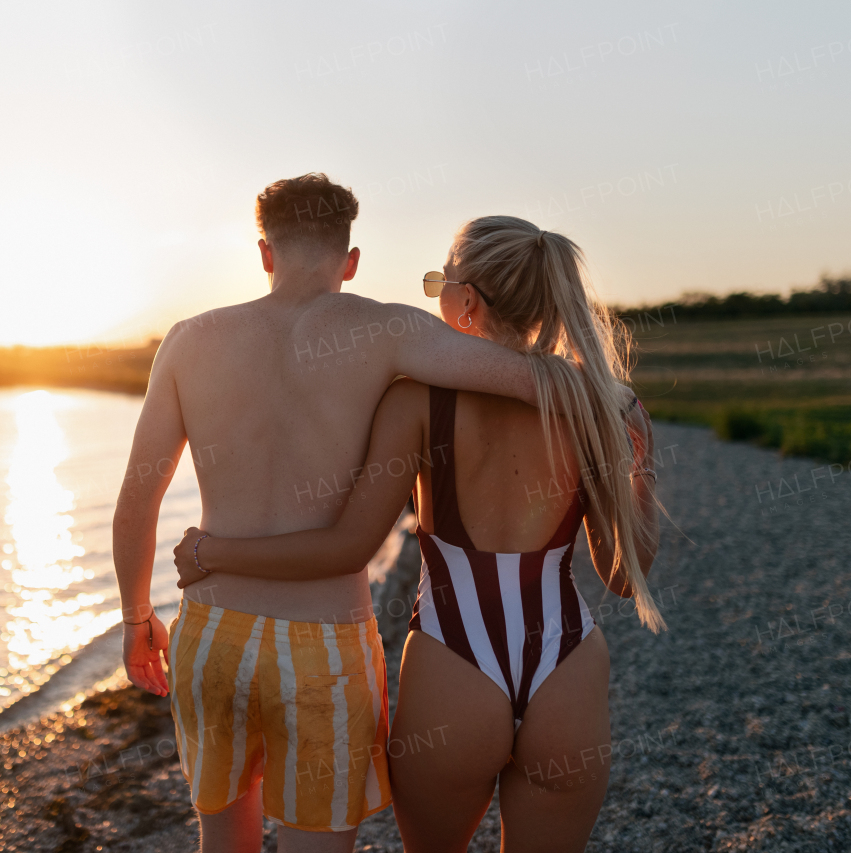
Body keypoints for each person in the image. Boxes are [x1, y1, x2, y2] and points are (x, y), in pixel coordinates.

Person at [112, 177, 591, 853]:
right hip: (324, 643)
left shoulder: (188, 341)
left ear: (265, 253)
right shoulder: (388, 329)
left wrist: (136, 619)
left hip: (212, 633)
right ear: (351, 258)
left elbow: (138, 499)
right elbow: (524, 374)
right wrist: (612, 395)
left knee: (221, 839)